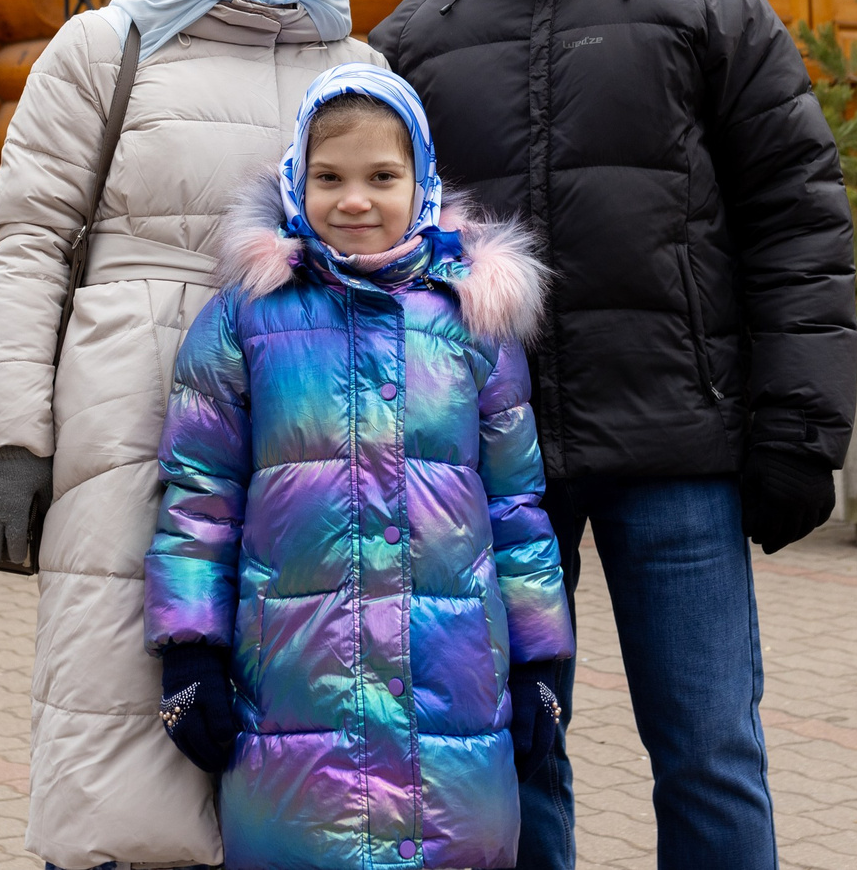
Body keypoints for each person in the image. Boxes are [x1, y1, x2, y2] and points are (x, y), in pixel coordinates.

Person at [371, 0, 857, 870]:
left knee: (706, 746)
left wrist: (799, 427)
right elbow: (369, 255)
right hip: (488, 471)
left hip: (676, 452)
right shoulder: (412, 40)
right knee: (512, 748)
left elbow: (798, 217)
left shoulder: (704, 2)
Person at [0, 0, 380, 870]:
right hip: (127, 420)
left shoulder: (358, 63)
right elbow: (26, 247)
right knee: (117, 700)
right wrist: (9, 443)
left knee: (290, 705)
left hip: (303, 434)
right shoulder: (108, 47)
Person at [144, 63, 572, 870]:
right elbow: (199, 495)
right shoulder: (248, 314)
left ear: (424, 182)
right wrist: (189, 648)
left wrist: (541, 657)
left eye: (382, 176)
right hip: (293, 692)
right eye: (329, 177)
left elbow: (518, 507)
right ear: (295, 183)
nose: (355, 200)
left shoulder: (472, 320)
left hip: (454, 697)